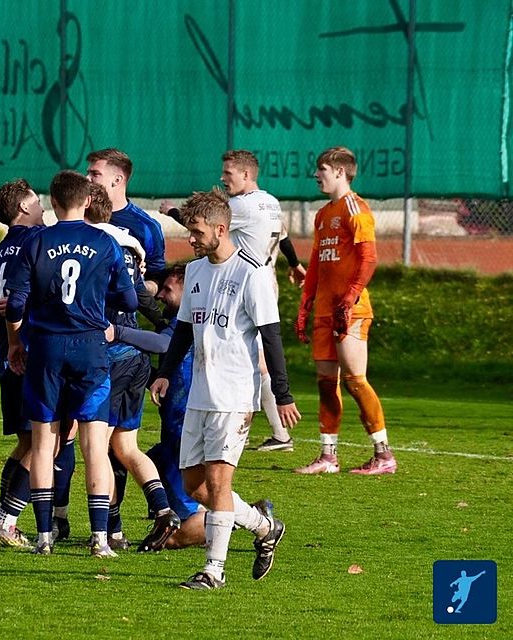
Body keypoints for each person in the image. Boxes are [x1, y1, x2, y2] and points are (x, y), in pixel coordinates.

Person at [150, 188, 301, 590]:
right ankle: (264, 525)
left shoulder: (251, 274)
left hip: (234, 396)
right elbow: (184, 328)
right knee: (192, 485)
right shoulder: (196, 271)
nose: (191, 238)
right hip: (200, 392)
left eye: (196, 231)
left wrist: (282, 394)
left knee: (218, 484)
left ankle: (213, 570)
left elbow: (271, 336)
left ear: (220, 228)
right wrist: (165, 371)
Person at [5, 170, 137, 557]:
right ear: (88, 201)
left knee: (44, 442)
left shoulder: (37, 240)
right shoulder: (105, 242)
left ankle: (44, 536)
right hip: (91, 349)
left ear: (54, 201)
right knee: (95, 445)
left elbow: (15, 302)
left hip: (45, 348)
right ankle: (99, 538)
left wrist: (16, 342)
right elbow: (129, 301)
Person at [112, 263, 274, 550]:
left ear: (189, 289)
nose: (160, 296)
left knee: (192, 510)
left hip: (186, 421)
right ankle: (117, 525)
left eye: (168, 290)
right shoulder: (181, 320)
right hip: (174, 426)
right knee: (139, 461)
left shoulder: (189, 323)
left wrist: (117, 332)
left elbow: (163, 344)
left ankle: (248, 519)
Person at [160, 150, 305, 452]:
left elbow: (201, 223)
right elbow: (285, 237)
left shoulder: (239, 206)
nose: (223, 179)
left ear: (247, 174)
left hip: (240, 284)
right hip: (264, 279)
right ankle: (264, 428)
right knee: (250, 354)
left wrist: (171, 210)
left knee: (250, 355)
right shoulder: (271, 202)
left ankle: (275, 430)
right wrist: (294, 263)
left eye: (228, 173)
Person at [85, 182, 178, 552]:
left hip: (107, 354)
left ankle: (108, 529)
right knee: (126, 445)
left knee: (99, 447)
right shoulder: (128, 242)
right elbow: (140, 293)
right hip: (136, 356)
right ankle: (161, 508)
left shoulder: (91, 244)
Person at [294, 146, 397, 476]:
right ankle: (328, 456)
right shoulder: (323, 214)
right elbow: (314, 266)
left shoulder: (355, 207)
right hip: (324, 311)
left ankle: (383, 455)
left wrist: (351, 296)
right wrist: (304, 305)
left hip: (349, 310)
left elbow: (369, 259)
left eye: (321, 169)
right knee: (326, 383)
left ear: (339, 172)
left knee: (355, 380)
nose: (316, 176)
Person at [0, 179, 45, 548]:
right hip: (31, 348)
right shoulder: (37, 243)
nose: (41, 207)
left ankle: (4, 515)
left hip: (5, 348)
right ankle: (6, 520)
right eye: (36, 201)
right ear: (22, 207)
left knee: (27, 440)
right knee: (47, 441)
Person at [87, 148, 166, 291]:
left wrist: (133, 287)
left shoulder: (147, 227)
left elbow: (156, 278)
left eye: (95, 174)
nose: (87, 178)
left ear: (117, 180)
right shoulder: (79, 213)